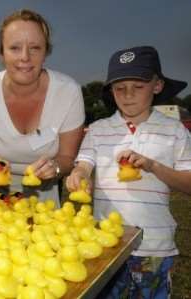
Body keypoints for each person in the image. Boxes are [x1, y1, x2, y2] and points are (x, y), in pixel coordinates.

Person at [66, 46, 191, 298]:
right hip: (104, 247)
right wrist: (78, 175)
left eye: (138, 86)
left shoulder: (175, 130)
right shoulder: (99, 129)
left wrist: (153, 166)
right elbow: (84, 164)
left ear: (157, 85)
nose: (128, 95)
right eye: (120, 88)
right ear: (111, 91)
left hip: (154, 247)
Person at [0, 9, 85, 206]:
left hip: (43, 200)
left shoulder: (69, 92)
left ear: (46, 52)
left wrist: (55, 167)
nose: (25, 57)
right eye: (14, 48)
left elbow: (67, 158)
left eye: (35, 48)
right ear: (2, 54)